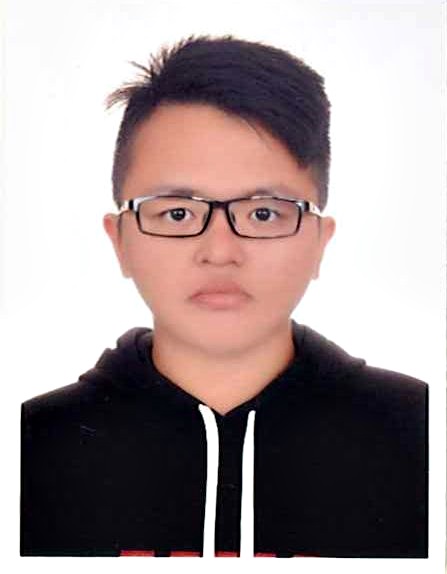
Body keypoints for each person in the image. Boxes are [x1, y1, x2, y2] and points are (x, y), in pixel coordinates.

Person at [20, 34, 427, 558]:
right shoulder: (29, 446)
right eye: (177, 213)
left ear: (320, 242)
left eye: (263, 213)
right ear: (119, 240)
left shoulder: (422, 432)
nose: (220, 251)